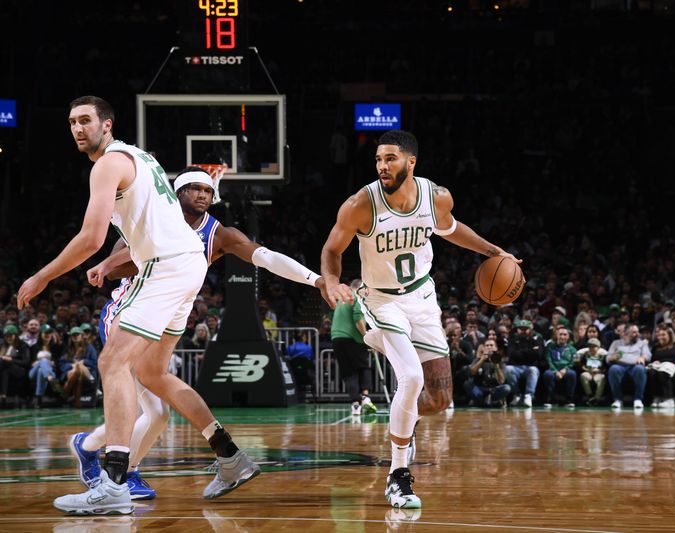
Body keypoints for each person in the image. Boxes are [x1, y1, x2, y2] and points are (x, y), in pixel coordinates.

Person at [14, 96, 254, 515]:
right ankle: (230, 457)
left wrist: (42, 275)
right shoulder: (139, 155)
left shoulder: (108, 163)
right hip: (187, 263)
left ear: (107, 124)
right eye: (72, 122)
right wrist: (110, 262)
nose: (78, 128)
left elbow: (90, 238)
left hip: (164, 266)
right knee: (152, 373)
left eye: (86, 120)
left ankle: (114, 483)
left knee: (112, 363)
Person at [71, 165, 331, 501]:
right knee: (154, 412)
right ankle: (118, 468)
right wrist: (115, 261)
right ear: (177, 194)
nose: (203, 196)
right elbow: (114, 268)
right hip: (132, 310)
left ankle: (115, 459)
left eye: (208, 191)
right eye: (195, 189)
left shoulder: (218, 233)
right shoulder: (153, 219)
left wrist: (315, 280)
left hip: (171, 312)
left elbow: (266, 257)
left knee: (156, 399)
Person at [321, 130, 519, 509]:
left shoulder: (437, 197)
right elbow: (332, 249)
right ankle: (398, 477)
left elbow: (452, 229)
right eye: (379, 159)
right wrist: (331, 281)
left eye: (390, 159)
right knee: (411, 379)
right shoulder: (360, 204)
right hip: (381, 299)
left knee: (438, 399)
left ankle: (403, 422)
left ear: (411, 162)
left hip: (422, 297)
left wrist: (493, 251)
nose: (382, 166)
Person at [331, 278, 376, 416]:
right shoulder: (357, 297)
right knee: (364, 367)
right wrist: (368, 338)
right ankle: (366, 398)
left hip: (336, 338)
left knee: (349, 372)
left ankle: (355, 404)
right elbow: (358, 320)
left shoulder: (342, 300)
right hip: (352, 339)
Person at [606, 323, 651, 409]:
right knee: (613, 369)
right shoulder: (616, 343)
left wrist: (642, 357)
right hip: (620, 366)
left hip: (635, 366)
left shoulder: (642, 343)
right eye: (634, 332)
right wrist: (612, 357)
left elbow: (648, 355)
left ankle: (638, 399)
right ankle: (618, 400)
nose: (637, 334)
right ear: (625, 334)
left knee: (640, 369)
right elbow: (608, 358)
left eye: (637, 332)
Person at [577, 337, 607, 406]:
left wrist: (600, 370)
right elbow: (581, 366)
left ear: (598, 347)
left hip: (598, 373)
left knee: (602, 378)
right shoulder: (585, 354)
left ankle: (597, 398)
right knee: (583, 376)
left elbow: (605, 367)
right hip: (588, 372)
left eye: (594, 346)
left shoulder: (602, 355)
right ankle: (590, 395)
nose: (592, 348)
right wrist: (587, 370)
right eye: (590, 346)